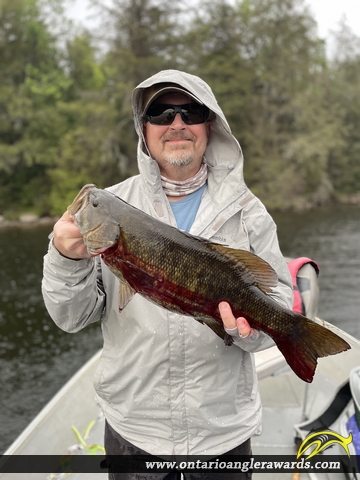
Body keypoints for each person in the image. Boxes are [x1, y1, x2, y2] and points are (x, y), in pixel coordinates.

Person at [42, 70, 293, 479]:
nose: (177, 123)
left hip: (223, 438)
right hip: (134, 432)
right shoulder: (114, 205)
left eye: (190, 112)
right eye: (161, 113)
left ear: (210, 125)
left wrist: (249, 332)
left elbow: (277, 304)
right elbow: (71, 317)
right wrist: (66, 260)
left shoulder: (250, 213)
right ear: (144, 130)